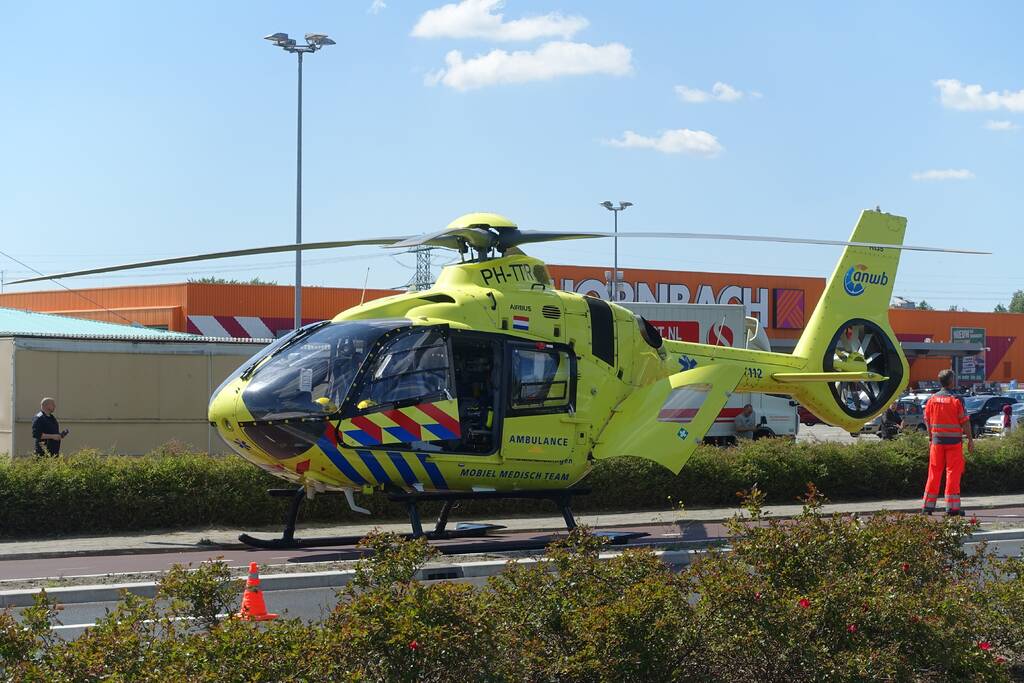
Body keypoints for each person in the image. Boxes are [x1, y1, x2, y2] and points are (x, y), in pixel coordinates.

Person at [922, 370, 973, 516]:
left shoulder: (932, 399)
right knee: (953, 473)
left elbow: (927, 420)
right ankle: (952, 508)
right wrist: (970, 439)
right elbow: (965, 422)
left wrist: (931, 437)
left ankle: (927, 507)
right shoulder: (956, 399)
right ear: (951, 381)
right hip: (954, 443)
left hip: (937, 443)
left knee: (934, 473)